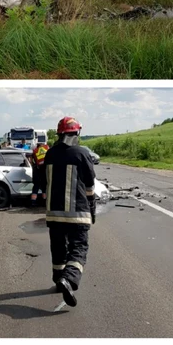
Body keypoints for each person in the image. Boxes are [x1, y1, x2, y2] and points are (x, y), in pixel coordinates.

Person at [44, 116, 97, 306]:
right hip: (77, 214)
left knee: (58, 249)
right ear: (76, 133)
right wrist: (92, 208)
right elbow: (90, 185)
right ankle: (69, 279)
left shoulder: (49, 154)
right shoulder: (81, 154)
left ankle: (59, 280)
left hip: (54, 214)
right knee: (79, 248)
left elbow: (43, 182)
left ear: (59, 134)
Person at [31, 142, 50, 207]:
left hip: (37, 174)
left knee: (35, 188)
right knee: (44, 188)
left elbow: (32, 161)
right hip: (43, 173)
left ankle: (33, 202)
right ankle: (44, 202)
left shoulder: (35, 151)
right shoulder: (46, 149)